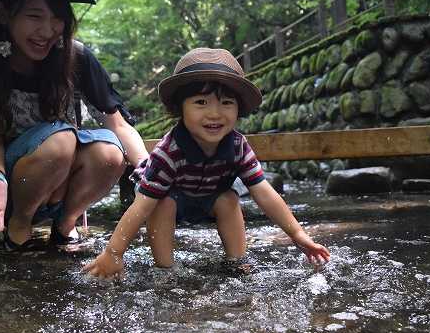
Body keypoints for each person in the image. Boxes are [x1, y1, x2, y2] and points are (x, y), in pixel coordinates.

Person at [0, 0, 148, 250]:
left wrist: (149, 169)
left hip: (66, 181)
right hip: (7, 183)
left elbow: (117, 125)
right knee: (60, 141)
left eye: (57, 18)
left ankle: (65, 225)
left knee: (109, 153)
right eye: (34, 16)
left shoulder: (76, 56)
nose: (47, 30)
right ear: (3, 14)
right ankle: (18, 230)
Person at [83, 48, 330, 278]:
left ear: (238, 109)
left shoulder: (237, 146)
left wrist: (298, 235)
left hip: (209, 198)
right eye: (201, 102)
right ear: (180, 108)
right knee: (161, 203)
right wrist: (113, 253)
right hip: (169, 199)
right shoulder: (169, 152)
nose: (214, 113)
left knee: (229, 198)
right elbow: (141, 207)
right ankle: (166, 269)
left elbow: (264, 192)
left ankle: (237, 261)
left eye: (226, 103)